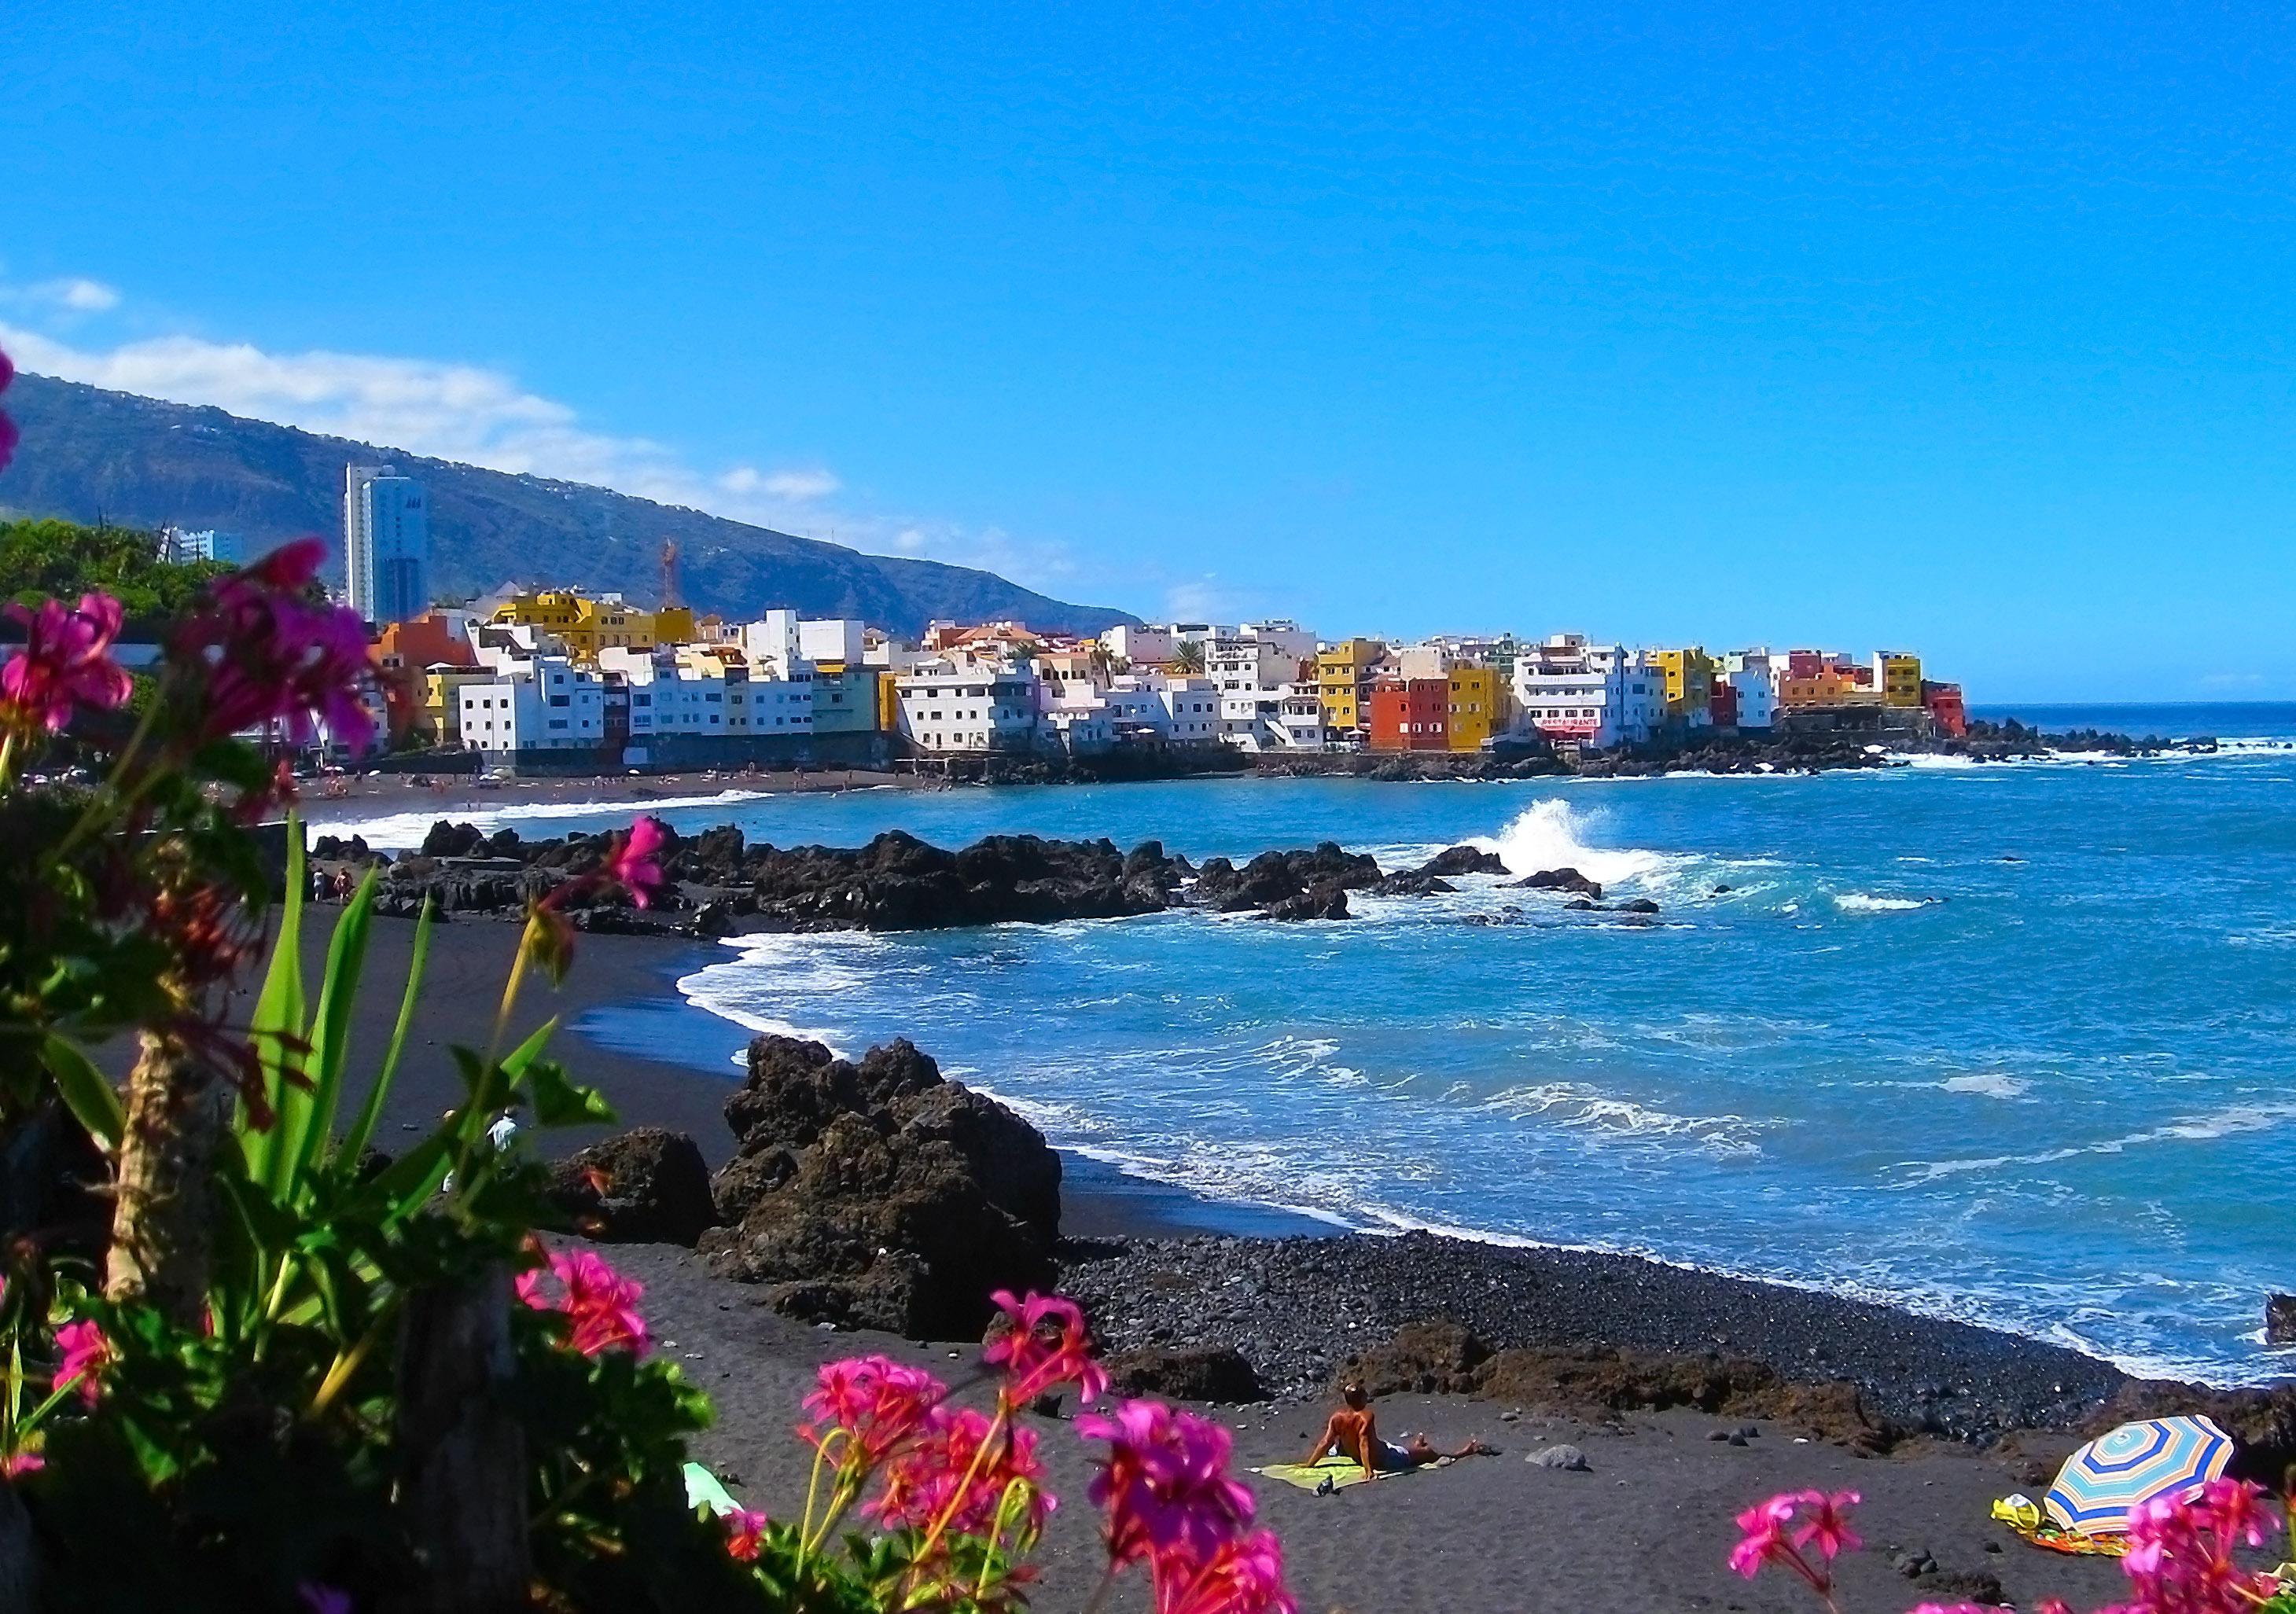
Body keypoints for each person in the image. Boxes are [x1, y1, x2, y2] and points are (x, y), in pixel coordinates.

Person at [1301, 1382, 1493, 1478]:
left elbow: (1325, 1443)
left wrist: (1309, 1464)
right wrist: (1369, 1471)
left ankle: (1416, 1445)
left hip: (1378, 1451)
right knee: (1429, 1454)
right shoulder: (1365, 1416)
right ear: (1361, 1399)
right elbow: (1364, 1442)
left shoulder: (1337, 1417)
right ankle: (1463, 1452)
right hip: (1386, 1459)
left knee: (1404, 1449)